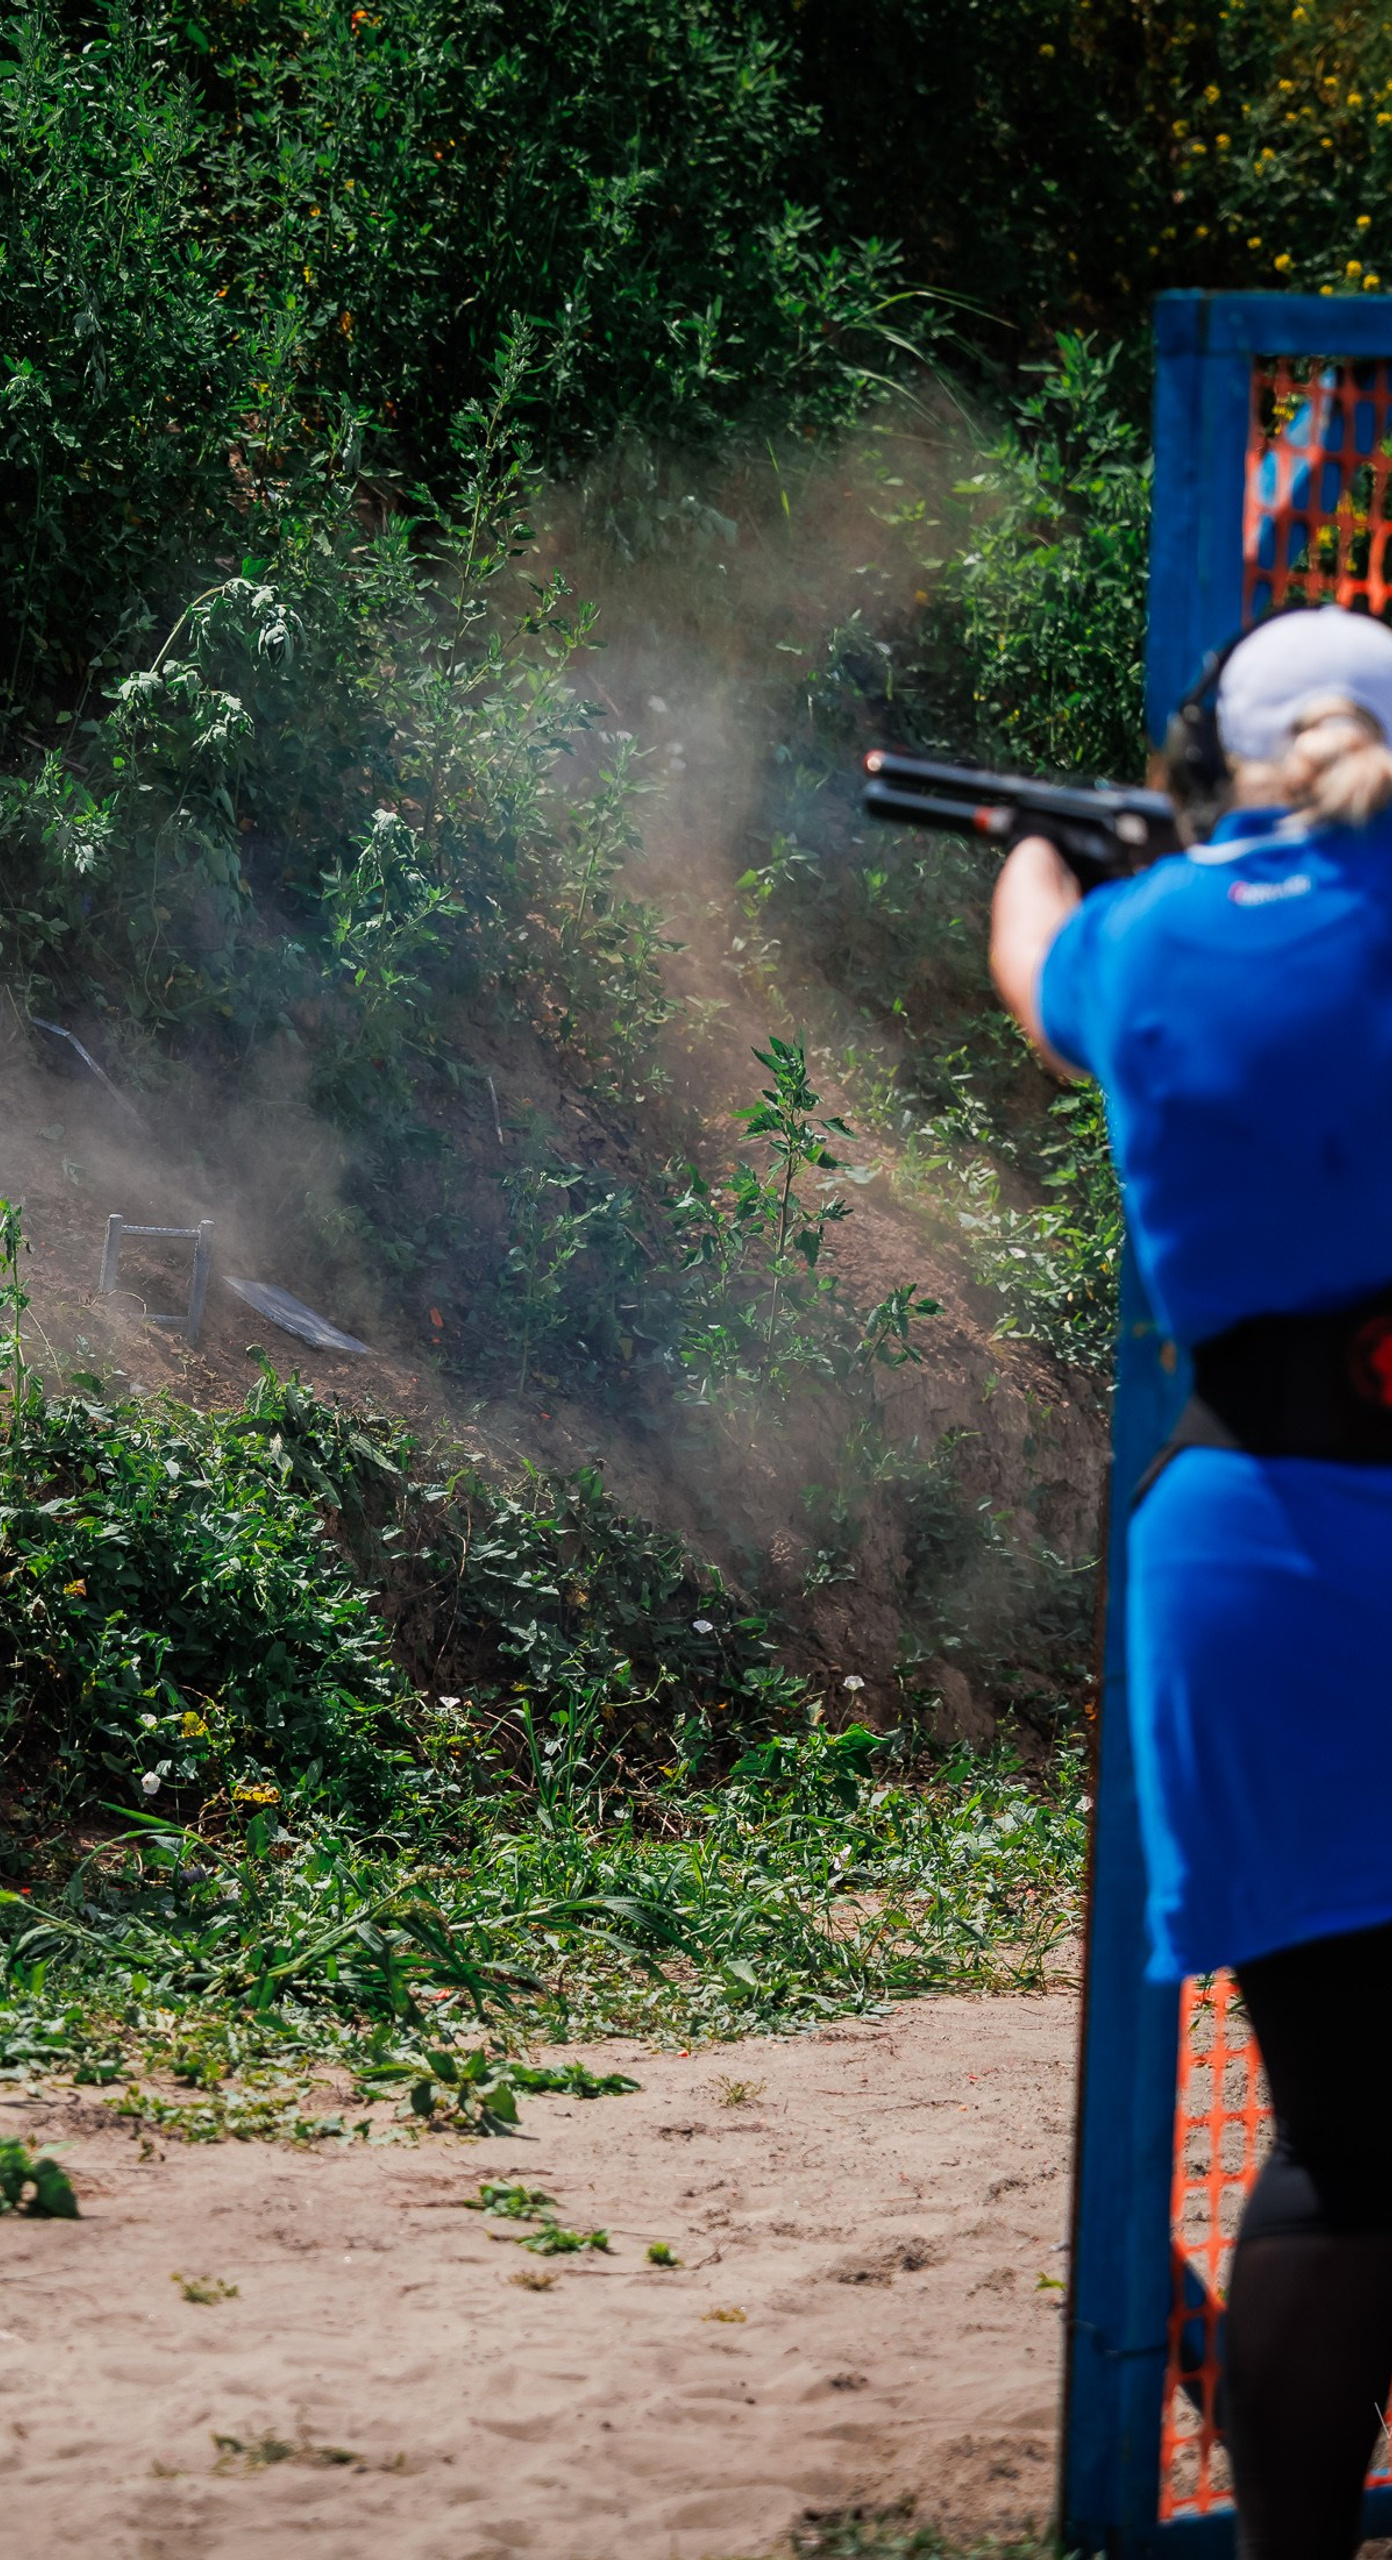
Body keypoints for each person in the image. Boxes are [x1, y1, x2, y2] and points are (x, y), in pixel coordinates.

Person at [990, 603, 1392, 2559]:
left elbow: (1033, 970)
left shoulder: (1143, 940)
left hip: (1249, 1547)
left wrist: (1034, 846)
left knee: (1344, 2133)